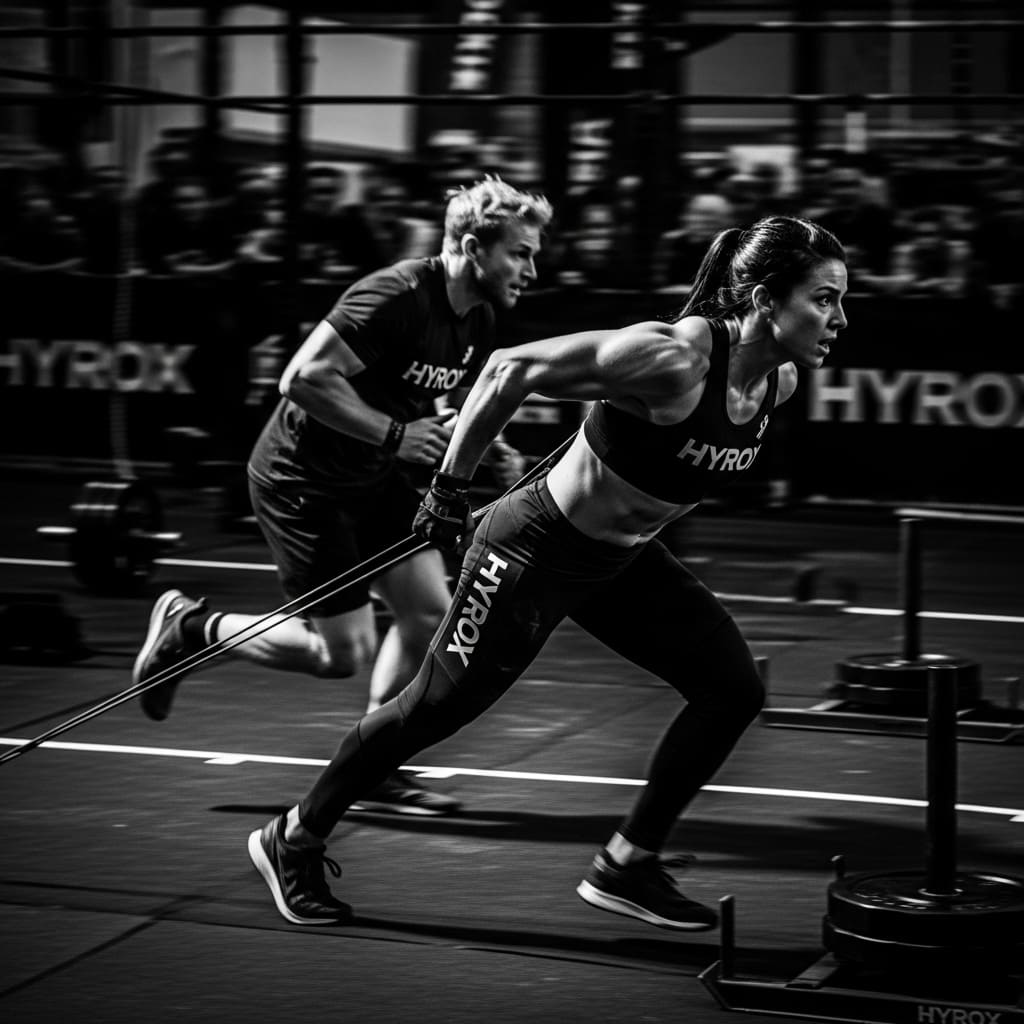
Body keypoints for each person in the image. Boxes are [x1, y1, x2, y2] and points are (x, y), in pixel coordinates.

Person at [245, 215, 849, 928]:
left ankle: (627, 864)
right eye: (824, 298)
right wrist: (448, 487)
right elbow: (509, 369)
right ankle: (294, 835)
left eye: (841, 300)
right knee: (434, 708)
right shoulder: (675, 359)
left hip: (620, 561)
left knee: (732, 689)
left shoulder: (774, 384)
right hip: (534, 548)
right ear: (762, 297)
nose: (839, 318)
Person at [132, 177, 554, 815]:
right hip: (303, 480)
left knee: (428, 614)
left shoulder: (480, 315)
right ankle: (194, 626)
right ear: (473, 246)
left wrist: (474, 444)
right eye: (520, 252)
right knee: (340, 655)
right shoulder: (395, 294)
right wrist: (395, 434)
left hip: (372, 475)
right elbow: (301, 378)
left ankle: (375, 767)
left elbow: (421, 392)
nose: (532, 267)